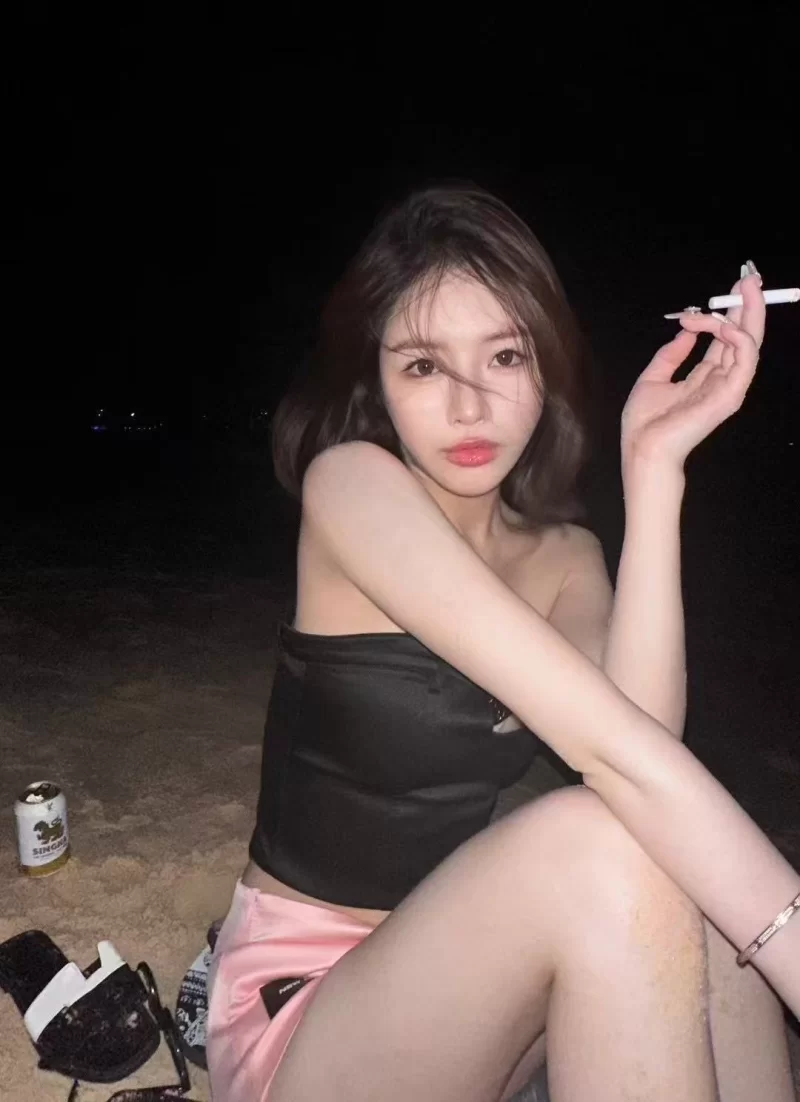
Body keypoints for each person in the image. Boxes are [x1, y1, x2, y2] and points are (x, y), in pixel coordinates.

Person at [206, 183, 799, 1101]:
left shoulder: (565, 557)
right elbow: (622, 763)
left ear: (545, 366)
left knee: (684, 862)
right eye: (423, 366)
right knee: (605, 843)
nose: (470, 405)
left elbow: (644, 750)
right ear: (378, 382)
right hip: (308, 1012)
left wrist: (654, 469)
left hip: (472, 994)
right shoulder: (352, 487)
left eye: (505, 356)